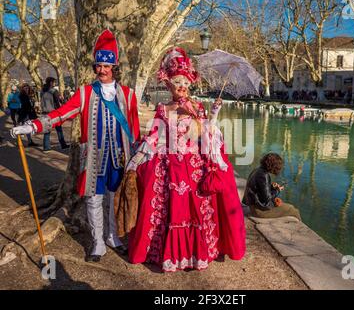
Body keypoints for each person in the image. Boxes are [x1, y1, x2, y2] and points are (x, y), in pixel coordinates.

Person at [11, 30, 140, 263]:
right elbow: (61, 114)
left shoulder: (129, 95)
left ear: (114, 67)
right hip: (93, 157)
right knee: (93, 199)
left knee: (114, 198)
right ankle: (98, 242)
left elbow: (134, 129)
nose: (101, 70)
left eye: (106, 66)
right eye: (98, 65)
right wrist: (32, 126)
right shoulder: (85, 93)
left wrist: (138, 157)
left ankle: (112, 237)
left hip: (119, 157)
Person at [126, 47, 246, 272]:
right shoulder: (162, 109)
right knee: (168, 208)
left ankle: (194, 254)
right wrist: (136, 160)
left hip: (193, 168)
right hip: (170, 166)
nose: (182, 86)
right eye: (177, 82)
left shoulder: (197, 107)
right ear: (169, 84)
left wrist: (214, 115)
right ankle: (167, 253)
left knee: (196, 209)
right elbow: (154, 138)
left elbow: (204, 134)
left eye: (185, 83)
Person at [242, 152, 301, 221]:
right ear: (273, 166)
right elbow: (267, 198)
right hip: (259, 211)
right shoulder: (264, 175)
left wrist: (271, 187)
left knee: (290, 207)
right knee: (293, 210)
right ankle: (303, 231)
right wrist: (278, 190)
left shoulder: (257, 170)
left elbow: (259, 190)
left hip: (253, 206)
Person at [40, 77, 70, 152]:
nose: (54, 83)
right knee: (59, 129)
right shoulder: (54, 91)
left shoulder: (42, 91)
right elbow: (57, 102)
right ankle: (63, 144)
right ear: (51, 82)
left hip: (45, 112)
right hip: (54, 112)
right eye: (53, 82)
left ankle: (46, 148)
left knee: (47, 130)